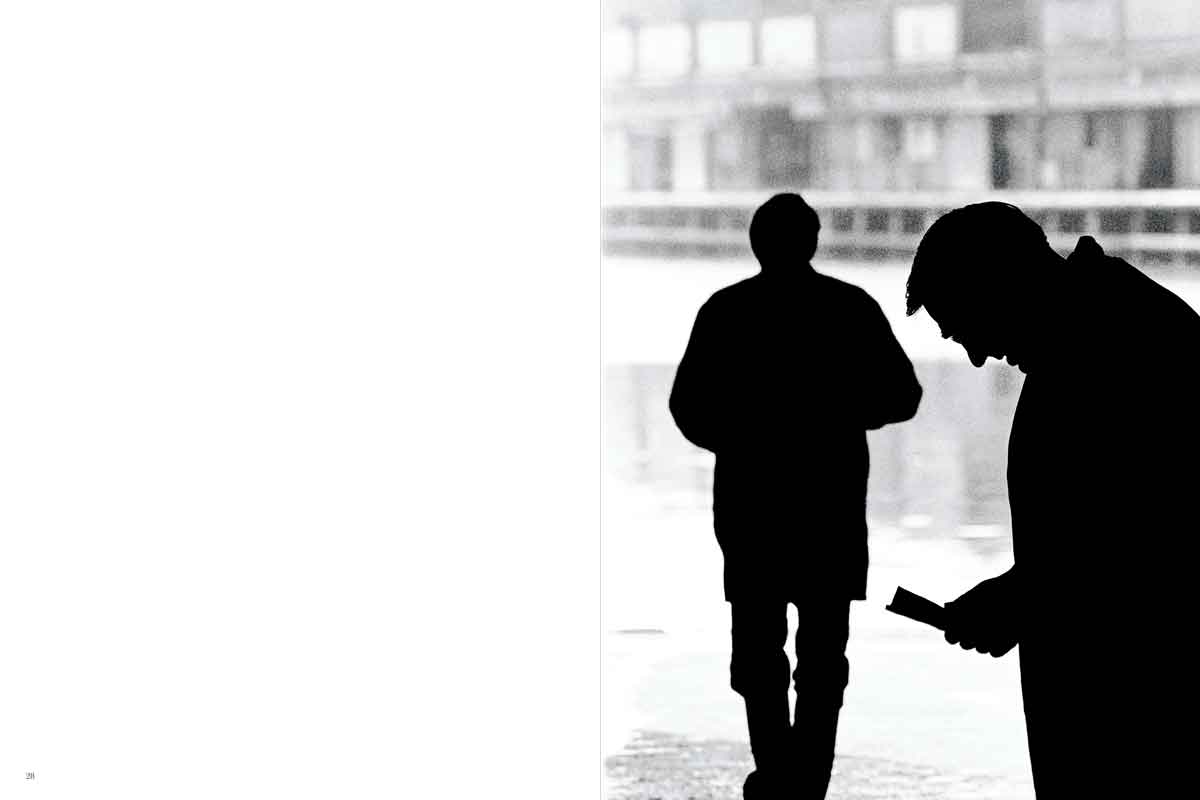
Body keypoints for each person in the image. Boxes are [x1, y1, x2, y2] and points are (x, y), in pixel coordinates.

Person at [905, 202, 1200, 798]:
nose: (978, 355)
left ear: (999, 283)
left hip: (1138, 704)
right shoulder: (1093, 333)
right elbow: (1108, 522)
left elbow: (1162, 529)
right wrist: (1022, 595)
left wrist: (1021, 596)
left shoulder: (1123, 343)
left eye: (967, 324)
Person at [669, 193, 922, 799]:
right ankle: (809, 781)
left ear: (755, 243)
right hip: (830, 508)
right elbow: (904, 395)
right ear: (812, 241)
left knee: (758, 655)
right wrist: (839, 417)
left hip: (750, 508)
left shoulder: (725, 311)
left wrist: (741, 440)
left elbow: (686, 407)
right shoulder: (850, 308)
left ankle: (778, 772)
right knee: (823, 658)